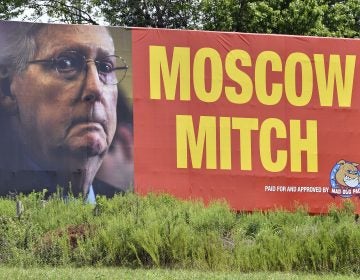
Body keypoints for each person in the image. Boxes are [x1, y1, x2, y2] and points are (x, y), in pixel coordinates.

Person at [0, 21, 130, 202]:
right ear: (7, 88)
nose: (96, 88)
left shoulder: (132, 213)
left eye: (105, 68)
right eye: (66, 63)